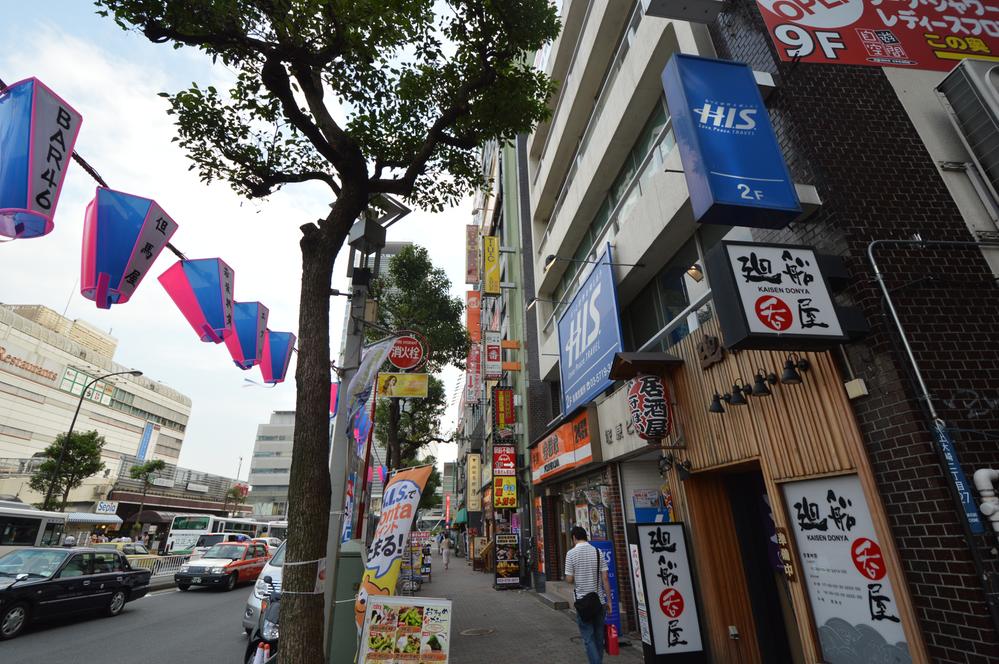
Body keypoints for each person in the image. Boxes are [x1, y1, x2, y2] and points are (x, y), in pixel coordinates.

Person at [564, 526, 611, 664]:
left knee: (588, 638)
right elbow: (605, 578)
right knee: (598, 638)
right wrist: (609, 601)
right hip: (599, 601)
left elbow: (569, 579)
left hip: (583, 602)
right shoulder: (598, 552)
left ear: (574, 537)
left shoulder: (571, 554)